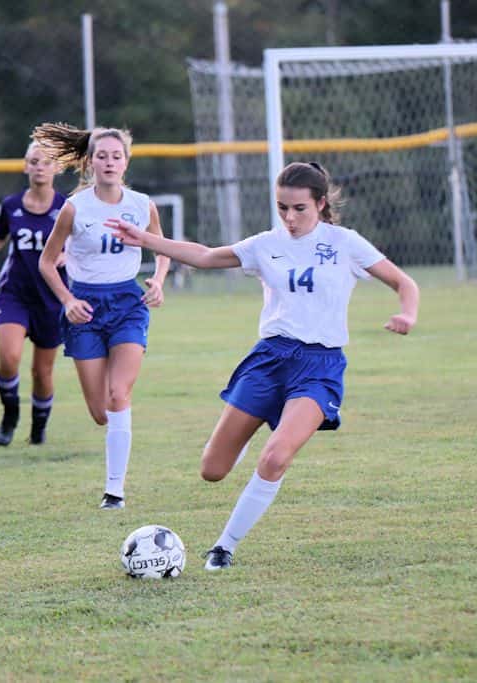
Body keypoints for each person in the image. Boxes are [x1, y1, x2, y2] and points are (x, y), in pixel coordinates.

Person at [111, 161, 419, 570]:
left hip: (320, 367)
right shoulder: (265, 244)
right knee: (212, 470)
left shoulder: (345, 243)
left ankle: (224, 546)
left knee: (275, 457)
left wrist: (408, 314)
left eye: (299, 208)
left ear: (320, 204)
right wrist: (147, 239)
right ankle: (249, 433)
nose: (290, 217)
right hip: (270, 360)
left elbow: (404, 282)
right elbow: (204, 256)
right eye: (282, 208)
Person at [32, 122, 171, 510]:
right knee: (100, 413)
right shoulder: (75, 208)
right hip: (86, 309)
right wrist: (67, 301)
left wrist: (158, 281)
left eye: (116, 156)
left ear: (126, 162)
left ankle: (114, 492)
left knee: (118, 394)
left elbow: (162, 249)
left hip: (128, 305)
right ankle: (118, 430)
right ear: (90, 162)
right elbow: (46, 263)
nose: (109, 162)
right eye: (102, 156)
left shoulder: (142, 205)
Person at [0, 142, 68, 446]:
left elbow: (83, 241)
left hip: (51, 298)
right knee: (9, 358)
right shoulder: (11, 205)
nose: (39, 167)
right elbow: (0, 236)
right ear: (25, 166)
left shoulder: (67, 207)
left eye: (45, 162)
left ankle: (38, 429)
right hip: (15, 295)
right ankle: (10, 415)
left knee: (42, 372)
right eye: (34, 161)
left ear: (57, 168)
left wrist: (70, 256)